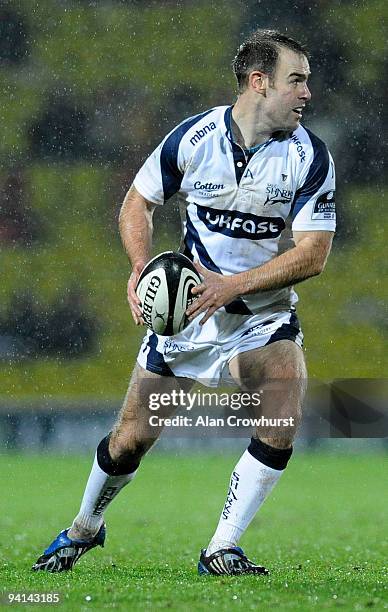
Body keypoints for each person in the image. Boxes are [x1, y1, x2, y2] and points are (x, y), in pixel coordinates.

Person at [32, 29, 336, 575]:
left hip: (261, 318)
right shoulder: (194, 138)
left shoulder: (309, 156)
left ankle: (222, 547)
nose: (307, 93)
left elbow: (313, 254)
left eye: (307, 81)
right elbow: (137, 204)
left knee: (283, 405)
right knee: (127, 444)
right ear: (259, 82)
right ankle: (83, 528)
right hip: (185, 320)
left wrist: (232, 286)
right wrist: (139, 270)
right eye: (297, 80)